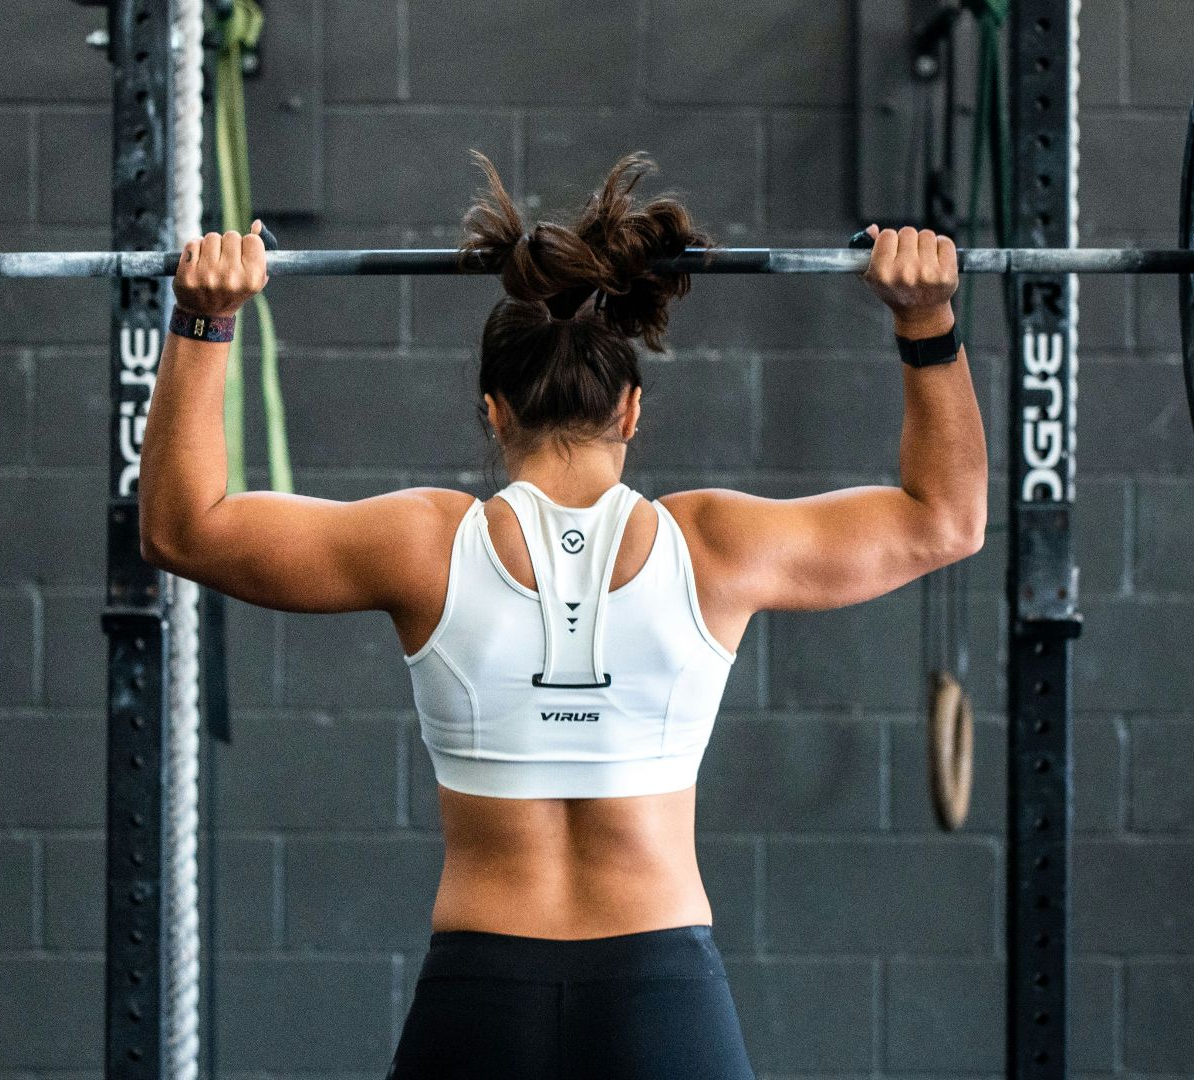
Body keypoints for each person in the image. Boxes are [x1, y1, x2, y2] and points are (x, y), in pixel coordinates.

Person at [138, 152, 987, 1080]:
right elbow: (945, 520)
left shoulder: (424, 545)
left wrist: (205, 321)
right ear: (631, 410)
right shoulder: (713, 546)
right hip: (663, 997)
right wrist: (926, 322)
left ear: (493, 412)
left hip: (480, 999)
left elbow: (184, 529)